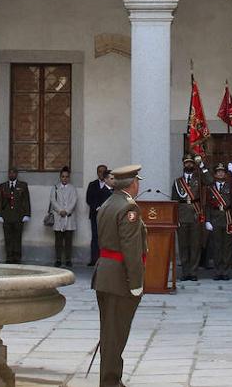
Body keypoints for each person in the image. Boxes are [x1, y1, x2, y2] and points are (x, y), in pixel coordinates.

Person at [92, 164, 146, 387]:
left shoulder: (108, 203)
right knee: (116, 334)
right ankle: (111, 381)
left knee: (109, 332)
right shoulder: (128, 208)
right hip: (119, 277)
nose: (139, 185)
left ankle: (110, 378)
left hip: (104, 273)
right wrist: (136, 283)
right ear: (132, 184)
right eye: (137, 181)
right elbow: (131, 249)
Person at [171, 155, 205, 282]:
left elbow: (210, 180)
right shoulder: (177, 182)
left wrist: (202, 165)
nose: (189, 165)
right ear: (183, 165)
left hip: (195, 215)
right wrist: (175, 218)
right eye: (187, 163)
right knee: (183, 245)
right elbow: (174, 201)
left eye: (191, 163)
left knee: (195, 245)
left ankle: (193, 272)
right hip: (182, 215)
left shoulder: (199, 179)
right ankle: (185, 272)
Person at [0, 169, 31, 263]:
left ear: (17, 174)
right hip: (6, 216)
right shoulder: (3, 186)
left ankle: (17, 257)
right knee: (8, 238)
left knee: (17, 237)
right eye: (10, 173)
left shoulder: (23, 186)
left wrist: (27, 214)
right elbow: (0, 201)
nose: (11, 174)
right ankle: (9, 257)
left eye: (13, 173)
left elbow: (26, 201)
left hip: (18, 216)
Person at [49, 166, 77, 268]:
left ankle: (68, 259)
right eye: (63, 177)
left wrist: (67, 211)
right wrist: (60, 210)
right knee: (58, 241)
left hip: (69, 218)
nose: (64, 178)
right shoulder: (55, 188)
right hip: (58, 217)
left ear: (69, 178)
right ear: (60, 177)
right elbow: (53, 200)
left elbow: (74, 201)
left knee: (68, 241)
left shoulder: (72, 188)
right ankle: (58, 259)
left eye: (66, 177)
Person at [86, 165, 110, 266]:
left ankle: (105, 260)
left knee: (106, 237)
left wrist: (103, 209)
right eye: (99, 171)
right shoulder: (92, 184)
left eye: (104, 172)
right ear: (97, 173)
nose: (101, 173)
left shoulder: (110, 185)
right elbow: (88, 199)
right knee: (95, 237)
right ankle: (94, 260)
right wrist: (96, 208)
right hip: (94, 215)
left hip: (106, 216)